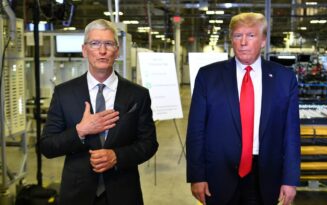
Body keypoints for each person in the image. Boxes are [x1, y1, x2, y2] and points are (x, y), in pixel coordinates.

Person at [40, 19, 158, 205]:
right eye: (95, 43)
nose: (102, 51)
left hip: (123, 193)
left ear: (117, 51)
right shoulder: (64, 93)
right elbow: (47, 146)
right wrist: (80, 131)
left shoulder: (137, 95)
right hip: (77, 194)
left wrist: (117, 156)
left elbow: (149, 143)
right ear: (84, 50)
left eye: (109, 44)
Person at [186, 12, 300, 205]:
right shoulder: (208, 77)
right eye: (238, 36)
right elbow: (196, 131)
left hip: (265, 175)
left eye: (251, 35)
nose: (243, 42)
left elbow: (291, 134)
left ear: (263, 41)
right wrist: (197, 175)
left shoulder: (284, 79)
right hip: (218, 177)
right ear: (232, 40)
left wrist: (290, 179)